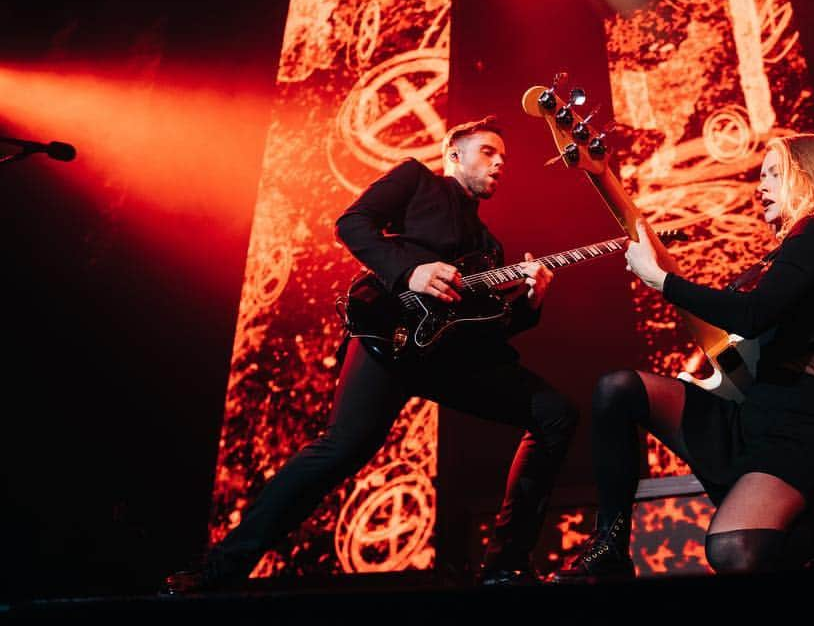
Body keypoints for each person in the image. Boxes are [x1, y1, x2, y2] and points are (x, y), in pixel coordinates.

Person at [164, 116, 577, 592]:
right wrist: (410, 274)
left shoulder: (490, 248)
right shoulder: (415, 179)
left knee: (554, 414)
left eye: (503, 156)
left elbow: (491, 335)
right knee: (342, 449)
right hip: (389, 337)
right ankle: (219, 570)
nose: (500, 161)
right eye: (488, 151)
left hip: (447, 358)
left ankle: (505, 566)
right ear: (454, 154)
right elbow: (352, 222)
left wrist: (530, 302)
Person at [552, 133, 814, 581]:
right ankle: (611, 546)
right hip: (754, 415)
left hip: (799, 431)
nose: (761, 186)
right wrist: (603, 178)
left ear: (811, 178)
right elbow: (684, 280)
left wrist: (660, 283)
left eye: (774, 173)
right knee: (618, 389)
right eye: (761, 175)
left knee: (734, 550)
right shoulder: (800, 251)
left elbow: (753, 314)